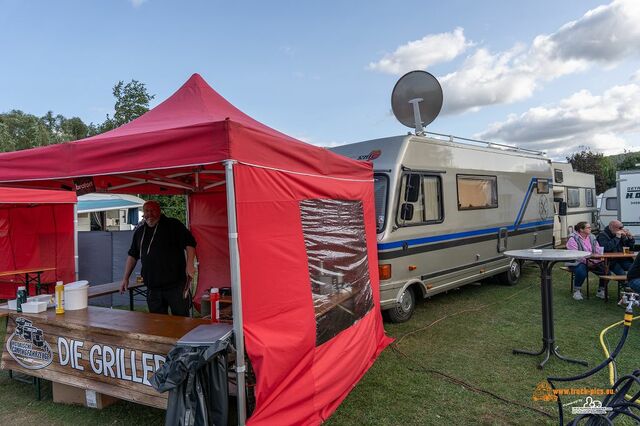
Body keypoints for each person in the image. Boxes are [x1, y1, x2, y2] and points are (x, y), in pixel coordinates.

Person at [120, 200, 196, 316]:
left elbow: (190, 243)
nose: (150, 214)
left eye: (153, 210)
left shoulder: (173, 225)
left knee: (181, 321)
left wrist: (190, 264)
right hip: (152, 287)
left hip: (175, 285)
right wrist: (125, 278)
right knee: (157, 322)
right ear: (143, 213)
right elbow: (132, 255)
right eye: (147, 211)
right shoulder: (140, 232)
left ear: (159, 211)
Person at [566, 221, 608, 300]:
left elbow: (597, 249)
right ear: (581, 230)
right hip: (576, 261)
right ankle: (577, 291)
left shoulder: (592, 237)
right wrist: (587, 262)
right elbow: (575, 254)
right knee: (581, 271)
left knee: (606, 271)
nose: (590, 229)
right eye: (588, 228)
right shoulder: (573, 239)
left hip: (592, 261)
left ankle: (601, 290)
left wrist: (597, 259)